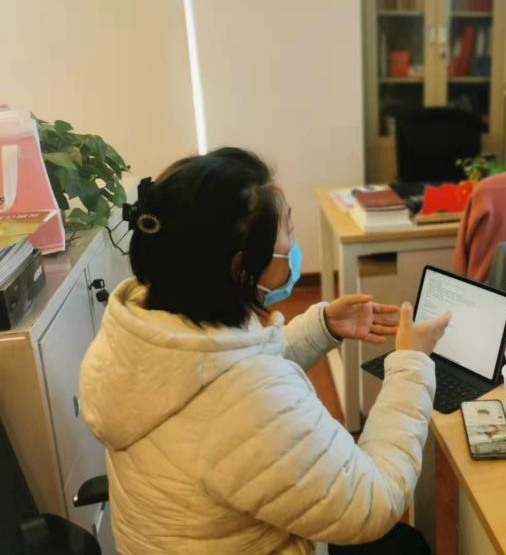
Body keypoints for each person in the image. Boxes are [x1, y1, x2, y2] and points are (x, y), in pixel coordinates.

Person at [79, 148, 450, 555]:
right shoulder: (246, 399)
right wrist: (411, 363)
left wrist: (320, 328)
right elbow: (374, 503)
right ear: (241, 266)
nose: (294, 244)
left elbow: (220, 377)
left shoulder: (141, 332)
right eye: (288, 229)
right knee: (403, 545)